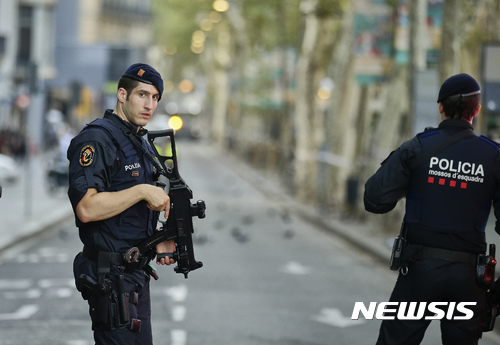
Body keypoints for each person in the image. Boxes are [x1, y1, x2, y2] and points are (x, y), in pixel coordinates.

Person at [364, 73, 500, 345]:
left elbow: (375, 200)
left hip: (419, 271)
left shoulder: (417, 148)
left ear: (440, 107)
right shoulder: (494, 155)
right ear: (477, 110)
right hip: (469, 278)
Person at [67, 63, 175, 345]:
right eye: (142, 95)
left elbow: (136, 214)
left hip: (135, 274)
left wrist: (160, 240)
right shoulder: (97, 139)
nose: (149, 104)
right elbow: (87, 208)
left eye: (155, 98)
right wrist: (141, 190)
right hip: (110, 279)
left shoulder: (141, 142)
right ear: (122, 95)